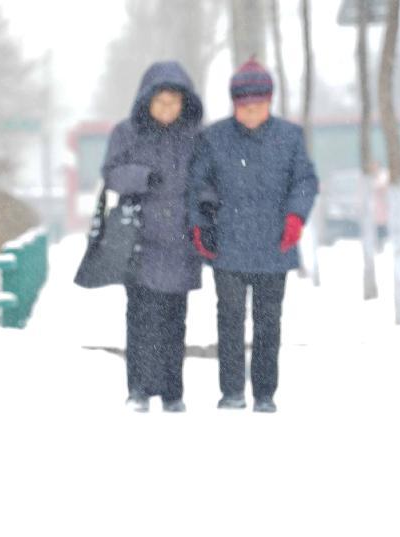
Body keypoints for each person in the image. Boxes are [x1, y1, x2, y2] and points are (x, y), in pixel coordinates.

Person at [187, 58, 319, 413]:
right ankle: (231, 391)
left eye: (258, 105)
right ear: (234, 104)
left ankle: (264, 393)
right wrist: (201, 225)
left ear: (270, 101)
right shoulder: (214, 138)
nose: (250, 112)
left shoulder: (289, 137)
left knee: (268, 322)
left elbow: (304, 180)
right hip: (227, 245)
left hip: (274, 245)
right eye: (243, 106)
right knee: (229, 320)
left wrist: (295, 216)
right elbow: (197, 185)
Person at [101, 61, 205, 413]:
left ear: (183, 103)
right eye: (160, 102)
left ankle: (173, 392)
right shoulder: (127, 133)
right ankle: (139, 388)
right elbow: (112, 173)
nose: (166, 109)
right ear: (147, 101)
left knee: (175, 320)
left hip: (180, 242)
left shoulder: (194, 138)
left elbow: (207, 181)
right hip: (140, 240)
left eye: (173, 102)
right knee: (141, 317)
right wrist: (144, 178)